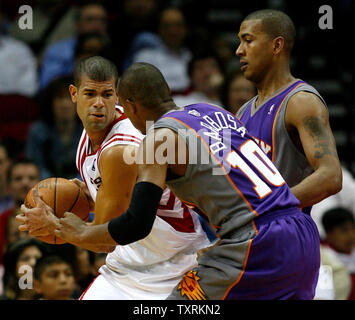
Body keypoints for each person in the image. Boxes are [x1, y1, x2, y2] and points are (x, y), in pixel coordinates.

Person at [21, 62, 321, 300]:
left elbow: (135, 224)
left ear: (129, 105)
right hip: (301, 229)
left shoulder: (156, 140)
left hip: (251, 242)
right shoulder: (213, 111)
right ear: (167, 90)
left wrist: (68, 230)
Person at [18, 56, 212, 300]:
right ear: (74, 94)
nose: (99, 103)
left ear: (117, 96)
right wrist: (95, 196)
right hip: (129, 264)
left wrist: (54, 226)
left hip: (178, 265)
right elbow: (122, 204)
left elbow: (104, 242)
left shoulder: (120, 150)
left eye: (107, 95)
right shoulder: (91, 133)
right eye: (90, 93)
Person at [234, 9, 342, 214]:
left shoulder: (301, 102)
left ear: (276, 46)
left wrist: (271, 206)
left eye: (248, 40)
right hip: (255, 233)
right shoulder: (243, 112)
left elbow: (331, 176)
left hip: (288, 230)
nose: (239, 50)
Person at [39, 2, 109, 90]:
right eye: (90, 19)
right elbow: (48, 85)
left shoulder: (116, 49)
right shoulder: (58, 50)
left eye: (102, 20)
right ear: (78, 24)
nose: (97, 25)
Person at [25, 76, 83, 179]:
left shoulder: (90, 131)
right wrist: (55, 187)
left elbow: (92, 167)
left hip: (82, 188)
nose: (65, 104)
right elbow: (34, 166)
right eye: (60, 98)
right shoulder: (38, 131)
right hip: (46, 188)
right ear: (51, 103)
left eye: (70, 98)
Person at [132, 7, 192, 94]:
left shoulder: (191, 57)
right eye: (167, 26)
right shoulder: (144, 58)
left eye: (178, 25)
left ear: (186, 29)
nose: (173, 31)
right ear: (159, 29)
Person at [321, 207, 355, 300]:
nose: (351, 235)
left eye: (353, 228)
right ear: (329, 234)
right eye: (344, 230)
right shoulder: (321, 259)